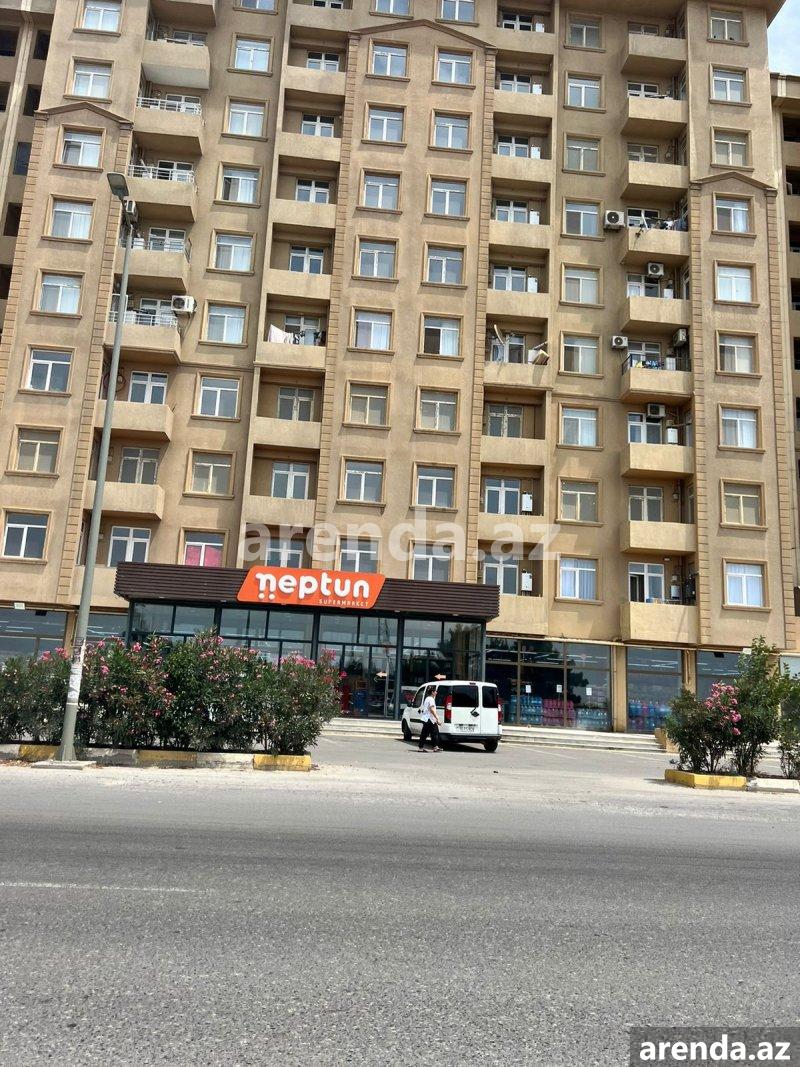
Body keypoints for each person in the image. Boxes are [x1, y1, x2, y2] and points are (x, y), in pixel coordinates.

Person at [419, 687, 442, 753]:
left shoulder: (427, 698)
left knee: (425, 734)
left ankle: (421, 747)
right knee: (435, 733)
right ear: (432, 692)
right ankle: (435, 747)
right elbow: (431, 709)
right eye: (435, 691)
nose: (436, 692)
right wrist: (437, 718)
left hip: (426, 719)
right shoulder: (431, 699)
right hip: (430, 719)